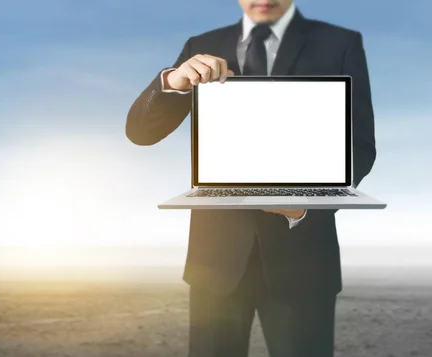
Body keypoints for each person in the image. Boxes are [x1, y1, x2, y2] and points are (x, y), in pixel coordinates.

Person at [125, 0, 377, 356]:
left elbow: (360, 147)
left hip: (303, 262)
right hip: (215, 264)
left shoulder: (340, 43)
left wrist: (303, 208)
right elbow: (140, 133)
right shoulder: (201, 45)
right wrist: (171, 81)